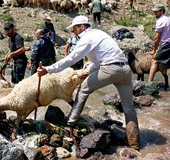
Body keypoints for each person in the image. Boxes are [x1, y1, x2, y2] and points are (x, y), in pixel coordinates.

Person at [37, 16, 140, 150]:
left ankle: (71, 122)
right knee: (128, 108)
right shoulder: (99, 33)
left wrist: (48, 69)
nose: (74, 32)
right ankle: (135, 145)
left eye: (75, 28)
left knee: (84, 88)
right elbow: (98, 61)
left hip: (110, 69)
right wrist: (88, 70)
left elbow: (72, 58)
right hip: (125, 70)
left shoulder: (87, 38)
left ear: (82, 27)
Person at [148, 4, 170, 92]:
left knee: (154, 61)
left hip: (167, 44)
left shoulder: (160, 20)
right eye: (154, 12)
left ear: (162, 11)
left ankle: (148, 84)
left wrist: (154, 50)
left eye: (156, 12)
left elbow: (156, 38)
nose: (155, 13)